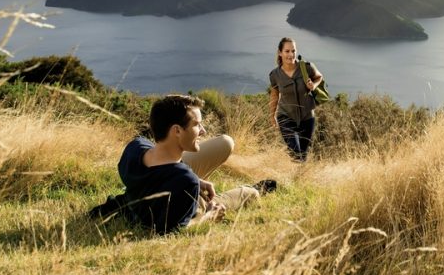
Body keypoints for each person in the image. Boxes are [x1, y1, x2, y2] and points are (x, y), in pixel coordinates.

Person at [94, 94, 260, 234]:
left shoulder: (135, 148)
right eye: (197, 125)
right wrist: (209, 216)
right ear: (177, 131)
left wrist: (196, 180)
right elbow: (173, 230)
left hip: (159, 182)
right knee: (250, 193)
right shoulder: (186, 181)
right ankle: (253, 189)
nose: (203, 131)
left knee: (225, 142)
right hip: (183, 194)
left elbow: (161, 164)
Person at [268, 37, 323, 161]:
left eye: (293, 51)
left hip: (307, 116)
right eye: (287, 51)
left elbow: (319, 77)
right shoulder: (275, 75)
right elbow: (274, 95)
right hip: (286, 116)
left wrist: (313, 85)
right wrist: (272, 116)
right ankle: (295, 173)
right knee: (295, 151)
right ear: (280, 53)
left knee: (303, 154)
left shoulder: (306, 67)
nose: (291, 54)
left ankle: (298, 178)